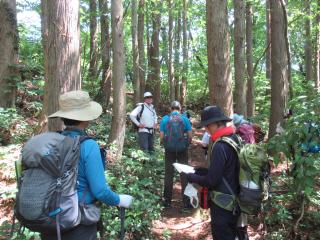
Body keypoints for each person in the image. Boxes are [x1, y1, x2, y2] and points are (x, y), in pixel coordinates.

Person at [43, 90, 133, 240]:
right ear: (85, 118)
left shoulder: (51, 141)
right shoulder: (88, 146)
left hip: (50, 218)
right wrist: (119, 200)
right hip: (78, 221)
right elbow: (100, 191)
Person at [186, 106, 245, 240]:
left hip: (223, 206)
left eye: (207, 126)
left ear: (215, 124)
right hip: (235, 201)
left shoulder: (220, 146)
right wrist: (202, 171)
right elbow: (227, 171)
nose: (206, 129)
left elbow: (212, 181)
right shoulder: (234, 138)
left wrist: (193, 177)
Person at [160, 101, 192, 208]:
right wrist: (186, 144)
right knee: (184, 174)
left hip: (169, 150)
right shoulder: (185, 119)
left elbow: (161, 136)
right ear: (180, 108)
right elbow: (190, 135)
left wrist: (165, 144)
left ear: (171, 108)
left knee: (169, 175)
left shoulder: (165, 119)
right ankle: (186, 202)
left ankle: (167, 201)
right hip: (182, 149)